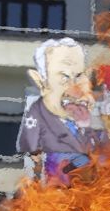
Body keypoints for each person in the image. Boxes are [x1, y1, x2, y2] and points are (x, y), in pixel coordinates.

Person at [16, 38, 96, 186]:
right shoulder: (37, 112)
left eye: (78, 76)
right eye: (64, 77)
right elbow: (32, 151)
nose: (73, 86)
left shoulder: (83, 116)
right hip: (56, 190)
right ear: (42, 81)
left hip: (85, 190)